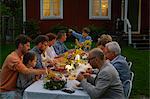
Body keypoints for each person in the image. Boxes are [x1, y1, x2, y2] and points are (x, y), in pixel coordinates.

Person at [0, 35, 47, 99]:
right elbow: (25, 71)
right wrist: (44, 71)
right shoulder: (12, 58)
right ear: (20, 45)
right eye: (27, 46)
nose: (29, 48)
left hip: (17, 89)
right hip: (8, 92)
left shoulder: (21, 57)